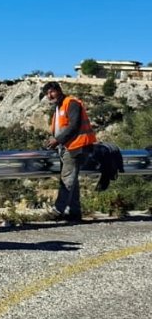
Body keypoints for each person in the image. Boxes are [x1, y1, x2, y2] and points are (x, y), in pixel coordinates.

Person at [42, 80, 97, 221]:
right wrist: (55, 140)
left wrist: (57, 140)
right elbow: (62, 127)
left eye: (52, 91)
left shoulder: (71, 103)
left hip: (76, 147)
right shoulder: (58, 107)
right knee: (72, 180)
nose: (49, 95)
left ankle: (57, 211)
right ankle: (75, 212)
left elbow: (74, 126)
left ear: (59, 90)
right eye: (47, 93)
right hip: (67, 147)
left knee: (67, 180)